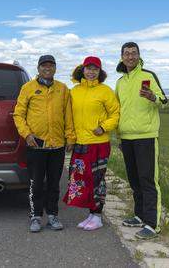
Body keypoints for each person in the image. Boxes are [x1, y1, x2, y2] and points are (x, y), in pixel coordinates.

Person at [13, 54, 76, 233]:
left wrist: (70, 138)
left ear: (55, 68)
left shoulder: (63, 89)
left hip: (57, 145)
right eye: (44, 66)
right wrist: (27, 134)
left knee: (54, 183)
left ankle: (53, 215)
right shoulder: (28, 88)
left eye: (51, 65)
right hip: (36, 145)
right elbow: (18, 114)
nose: (47, 69)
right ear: (38, 68)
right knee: (36, 183)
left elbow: (68, 116)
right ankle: (35, 216)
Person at [115, 42, 168, 240]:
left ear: (139, 55)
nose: (130, 56)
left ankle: (153, 225)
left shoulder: (148, 75)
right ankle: (139, 216)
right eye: (126, 53)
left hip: (146, 136)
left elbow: (163, 100)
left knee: (148, 180)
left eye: (133, 53)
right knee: (134, 179)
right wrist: (119, 136)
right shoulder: (120, 82)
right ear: (121, 57)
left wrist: (152, 96)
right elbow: (118, 110)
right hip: (127, 138)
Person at [63, 56, 120, 231]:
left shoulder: (105, 91)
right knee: (80, 179)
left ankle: (97, 215)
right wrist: (71, 140)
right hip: (80, 144)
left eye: (95, 69)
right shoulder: (74, 91)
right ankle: (90, 214)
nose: (91, 72)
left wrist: (103, 127)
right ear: (82, 69)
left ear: (100, 72)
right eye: (88, 68)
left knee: (96, 180)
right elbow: (69, 118)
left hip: (98, 143)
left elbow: (115, 114)